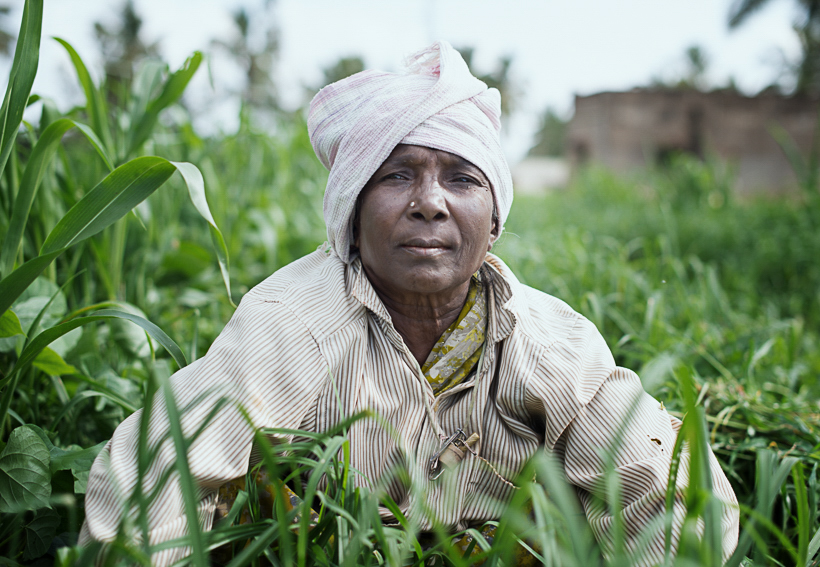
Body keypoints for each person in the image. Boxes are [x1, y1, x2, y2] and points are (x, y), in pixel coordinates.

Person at [80, 41, 738, 565]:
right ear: (353, 211)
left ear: (494, 219)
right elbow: (154, 469)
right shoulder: (291, 325)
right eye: (397, 174)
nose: (430, 200)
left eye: (461, 177)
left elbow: (669, 487)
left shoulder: (550, 343)